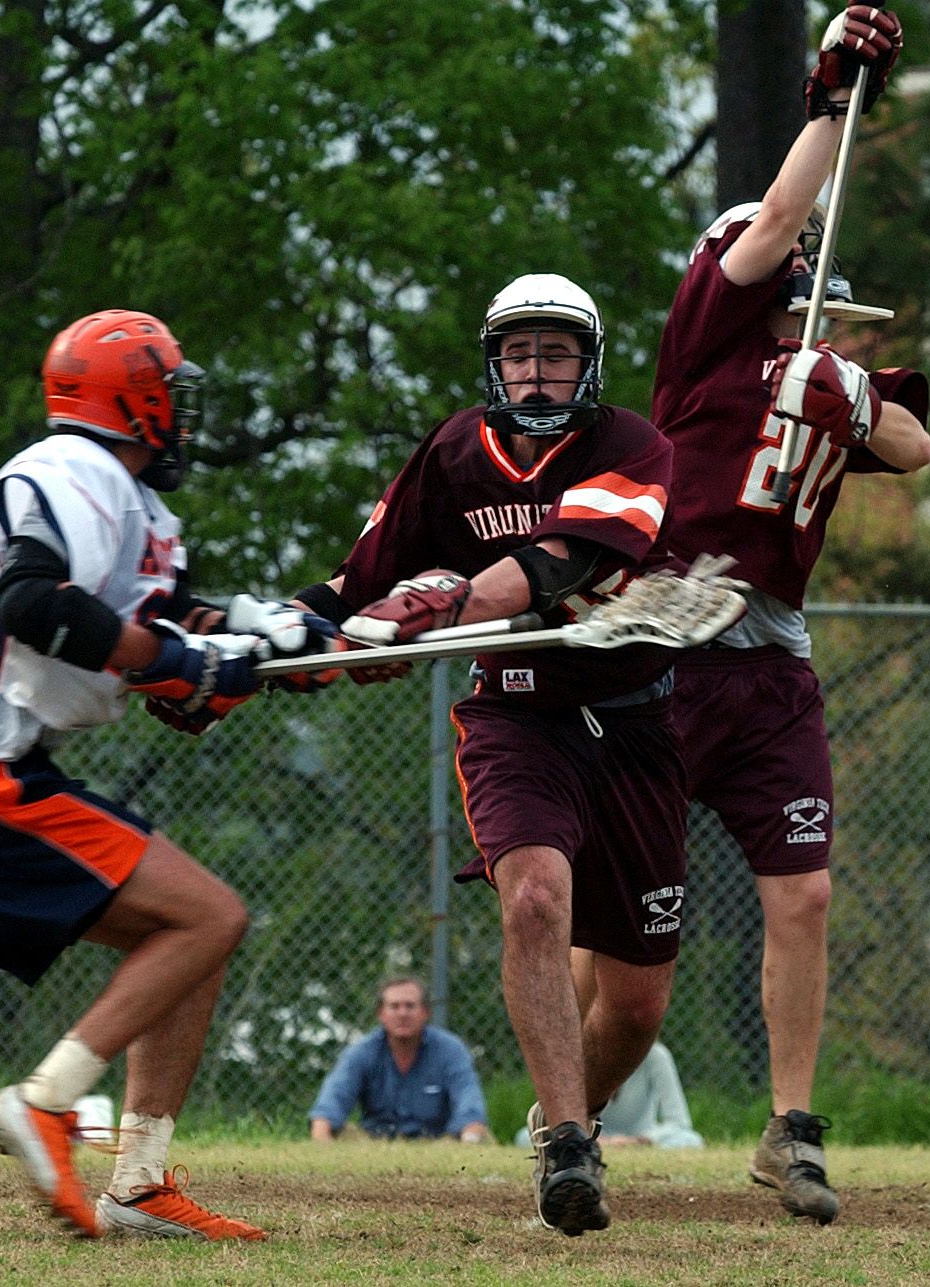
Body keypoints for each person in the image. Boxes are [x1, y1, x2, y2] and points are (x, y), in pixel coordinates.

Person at [0, 309, 336, 1241]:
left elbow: (162, 630)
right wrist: (176, 663)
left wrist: (265, 638)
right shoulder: (74, 471)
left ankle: (136, 1184)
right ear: (132, 400)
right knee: (211, 916)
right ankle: (45, 1101)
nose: (181, 414)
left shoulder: (119, 497)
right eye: (169, 393)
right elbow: (35, 605)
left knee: (192, 936)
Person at [291, 274, 684, 1237]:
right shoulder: (455, 451)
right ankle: (568, 1144)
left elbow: (564, 562)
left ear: (589, 364)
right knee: (536, 898)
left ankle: (571, 1115)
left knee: (636, 1003)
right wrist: (266, 644)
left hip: (634, 722)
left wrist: (443, 606)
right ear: (493, 364)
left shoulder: (632, 445)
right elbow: (357, 581)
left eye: (556, 355)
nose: (536, 375)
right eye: (519, 355)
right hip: (517, 714)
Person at [645, 5, 930, 1226]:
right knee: (629, 929)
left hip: (768, 658)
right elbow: (769, 221)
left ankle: (790, 1129)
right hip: (663, 644)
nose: (800, 260)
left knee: (802, 893)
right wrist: (831, 103)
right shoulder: (702, 343)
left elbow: (915, 449)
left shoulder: (816, 372)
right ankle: (571, 1114)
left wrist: (846, 396)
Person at [308, 976, 491, 1142]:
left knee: (482, 1137)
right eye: (394, 1006)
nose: (402, 1014)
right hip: (374, 1143)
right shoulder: (362, 1051)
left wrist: (470, 1139)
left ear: (426, 1012)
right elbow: (332, 1101)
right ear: (381, 1013)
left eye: (410, 1006)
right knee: (340, 1133)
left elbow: (469, 1101)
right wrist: (322, 1141)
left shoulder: (451, 1050)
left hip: (439, 1141)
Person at [596, 1041, 703, 1150]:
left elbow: (679, 1122)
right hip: (596, 1138)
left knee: (692, 1139)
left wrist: (640, 1140)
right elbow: (584, 1126)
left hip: (643, 1138)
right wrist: (602, 1141)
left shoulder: (655, 1055)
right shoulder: (589, 1053)